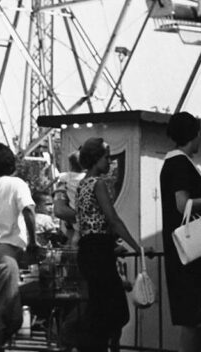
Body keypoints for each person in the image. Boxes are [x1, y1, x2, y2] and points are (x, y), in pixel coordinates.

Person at [76, 137, 141, 352]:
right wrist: (136, 246)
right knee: (115, 308)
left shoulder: (81, 185)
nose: (109, 162)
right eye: (106, 158)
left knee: (98, 304)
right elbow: (112, 219)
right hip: (99, 250)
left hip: (88, 249)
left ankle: (95, 345)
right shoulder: (98, 184)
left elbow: (88, 220)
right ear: (96, 159)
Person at [0, 143, 37, 352]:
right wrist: (33, 242)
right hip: (5, 256)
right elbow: (28, 210)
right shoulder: (16, 184)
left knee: (11, 317)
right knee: (5, 316)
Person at [160, 111, 201, 352]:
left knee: (193, 317)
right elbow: (181, 202)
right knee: (191, 318)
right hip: (188, 251)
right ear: (194, 134)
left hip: (184, 249)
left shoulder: (173, 162)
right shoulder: (179, 163)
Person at [53, 152, 85, 246]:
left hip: (73, 219)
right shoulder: (89, 180)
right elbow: (60, 211)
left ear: (70, 165)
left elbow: (59, 211)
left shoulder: (65, 178)